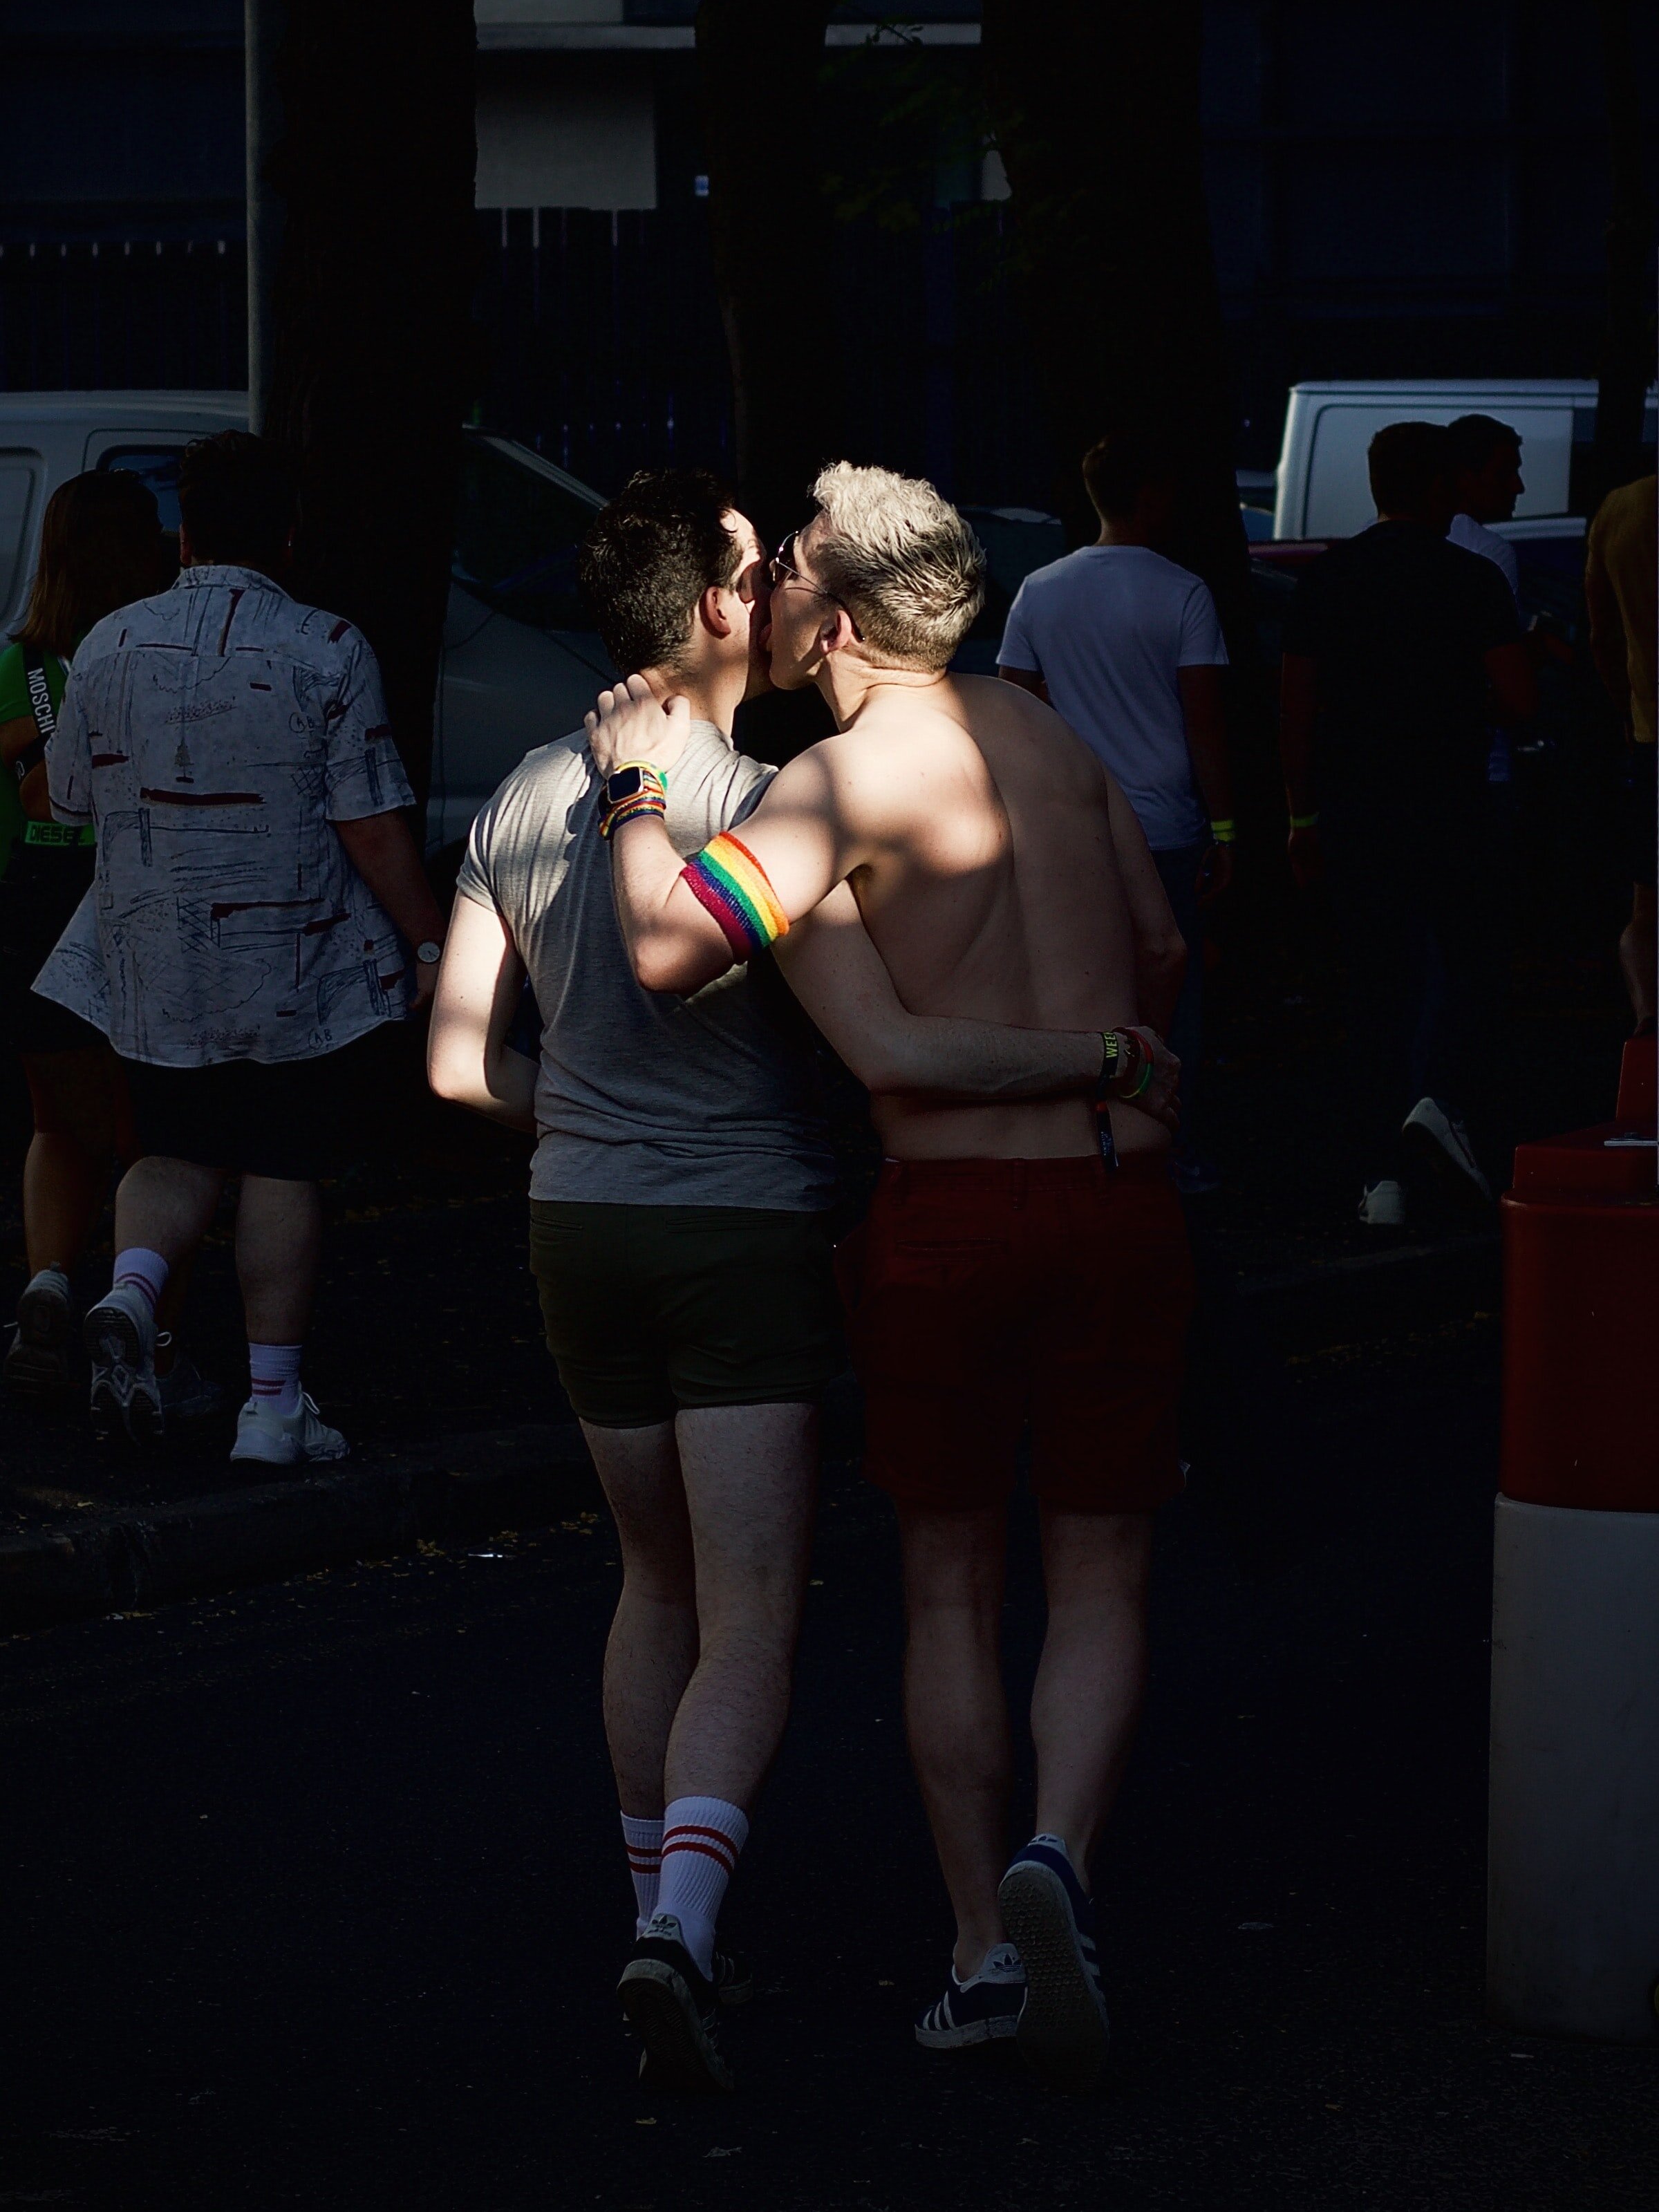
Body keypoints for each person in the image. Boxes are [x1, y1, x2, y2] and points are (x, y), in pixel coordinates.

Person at [428, 467, 1177, 2094]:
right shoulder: (1051, 743)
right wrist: (1102, 1042)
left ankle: (977, 1940)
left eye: (790, 572)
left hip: (924, 1216)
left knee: (940, 1585)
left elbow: (665, 950)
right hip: (1117, 1191)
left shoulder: (822, 787)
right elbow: (1159, 947)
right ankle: (1059, 1851)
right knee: (1102, 1570)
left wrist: (633, 795)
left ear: (828, 619)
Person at [33, 430, 447, 1455]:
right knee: (279, 1164)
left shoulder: (107, 646)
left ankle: (131, 1291)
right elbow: (369, 822)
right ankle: (271, 1407)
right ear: (291, 535)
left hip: (151, 958)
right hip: (289, 959)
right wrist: (434, 943)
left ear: (184, 537)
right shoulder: (329, 646)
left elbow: (72, 798)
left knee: (173, 1146)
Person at [1279, 421, 1535, 1226]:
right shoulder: (1471, 579)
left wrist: (1301, 815)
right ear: (1441, 488)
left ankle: (1379, 1176)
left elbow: (1296, 707)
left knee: (1373, 985)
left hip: (1356, 811)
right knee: (1465, 967)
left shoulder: (1328, 579)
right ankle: (1441, 1103)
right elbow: (1521, 699)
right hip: (1451, 804)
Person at [996, 429, 1232, 1190]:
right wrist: (1224, 827)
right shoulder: (1183, 590)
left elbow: (1015, 707)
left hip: (1075, 827)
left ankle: (1088, 1134)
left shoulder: (1041, 588)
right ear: (1152, 496)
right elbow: (1205, 721)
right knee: (1171, 984)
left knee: (1085, 983)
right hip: (1164, 822)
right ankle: (1169, 1141)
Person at [2, 473, 172, 1396]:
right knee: (143, 1125)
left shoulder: (17, 664)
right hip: (132, 885)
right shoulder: (155, 654)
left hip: (34, 892)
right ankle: (143, 1308)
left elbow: (24, 798)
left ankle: (47, 1282)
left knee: (54, 1121)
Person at [1584, 467, 1657, 1035]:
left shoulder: (1622, 508)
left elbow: (1600, 632)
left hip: (1651, 734)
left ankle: (1649, 1018)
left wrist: (1627, 709)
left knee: (1647, 913)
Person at [1446, 413, 1526, 803]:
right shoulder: (1490, 551)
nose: (1518, 487)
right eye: (1505, 473)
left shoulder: (1365, 541)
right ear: (1465, 476)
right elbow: (1504, 682)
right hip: (1483, 768)